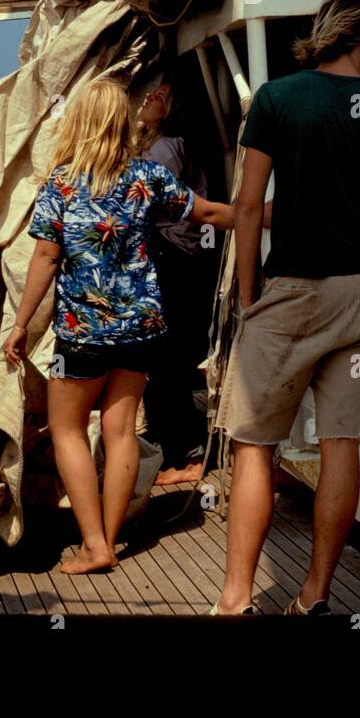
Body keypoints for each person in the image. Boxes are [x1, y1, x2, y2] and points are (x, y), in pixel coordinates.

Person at [211, 0, 360, 616]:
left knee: (254, 445)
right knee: (340, 443)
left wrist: (250, 294)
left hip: (292, 295)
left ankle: (236, 600)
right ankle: (314, 596)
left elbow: (249, 206)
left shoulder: (276, 99)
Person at [2, 76, 236, 575]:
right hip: (140, 328)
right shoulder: (147, 177)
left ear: (79, 122)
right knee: (121, 430)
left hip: (81, 332)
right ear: (121, 123)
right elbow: (208, 212)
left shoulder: (62, 184)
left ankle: (93, 544)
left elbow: (45, 258)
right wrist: (263, 215)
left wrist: (20, 324)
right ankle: (109, 537)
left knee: (67, 430)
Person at [135, 76, 218, 485]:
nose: (153, 96)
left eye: (164, 95)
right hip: (182, 259)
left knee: (166, 361)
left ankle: (184, 454)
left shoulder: (166, 148)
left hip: (172, 258)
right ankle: (176, 446)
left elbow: (145, 204)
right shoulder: (166, 146)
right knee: (171, 359)